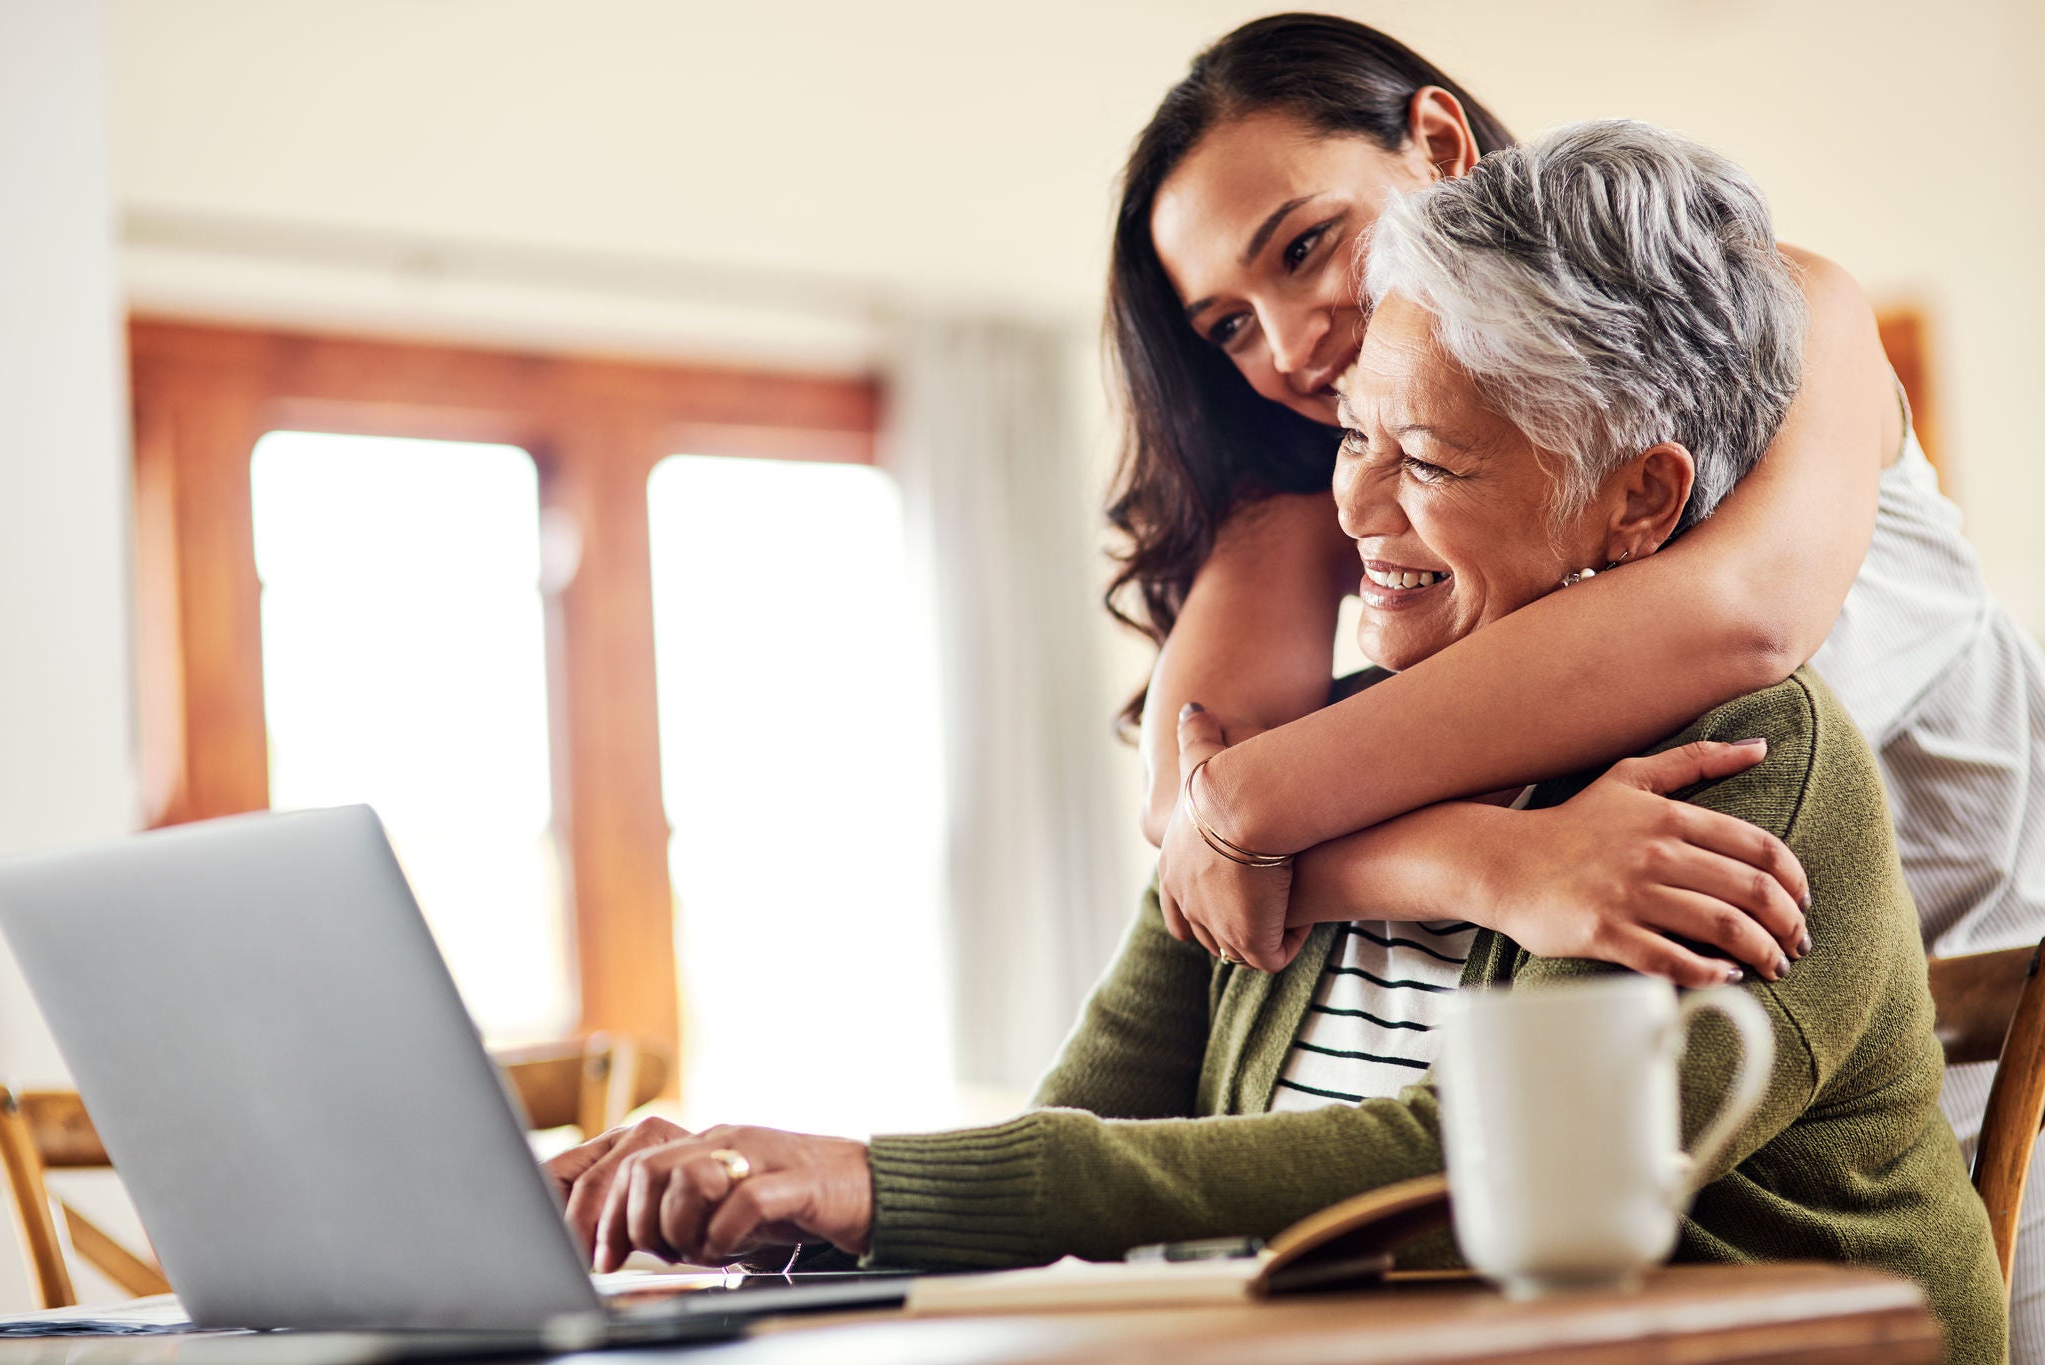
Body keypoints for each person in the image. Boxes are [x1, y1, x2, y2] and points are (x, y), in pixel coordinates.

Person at [543, 121, 2005, 1364]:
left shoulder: (1743, 761)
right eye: (1350, 438)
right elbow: (1091, 1117)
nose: (1358, 514)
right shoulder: (1340, 746)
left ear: (1635, 503)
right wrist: (799, 1204)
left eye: (1425, 459)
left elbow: (1463, 1177)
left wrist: (873, 1183)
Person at [1113, 17, 2045, 1350]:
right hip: (1693, 1081)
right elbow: (1185, 816)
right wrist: (1484, 864)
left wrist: (1258, 811)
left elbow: (1736, 618)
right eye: (1229, 325)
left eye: (1306, 244)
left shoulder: (1776, 320)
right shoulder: (1353, 457)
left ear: (1436, 141)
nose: (1290, 340)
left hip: (1979, 1053)